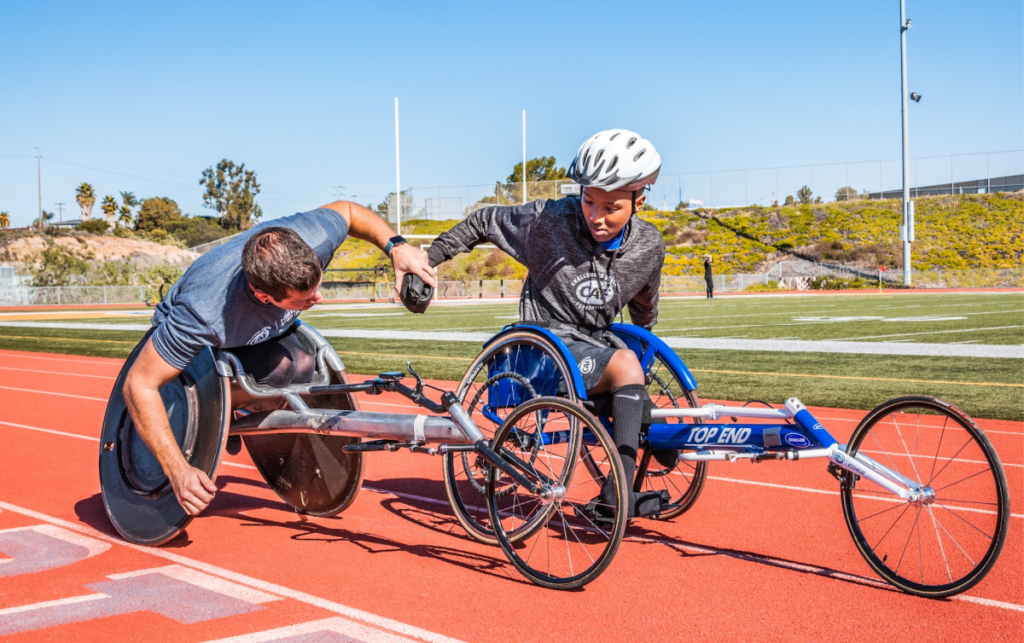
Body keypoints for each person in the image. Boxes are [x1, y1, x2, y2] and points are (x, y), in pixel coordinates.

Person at [122, 201, 435, 517]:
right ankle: (220, 415)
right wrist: (177, 470)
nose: (318, 299)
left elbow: (351, 213)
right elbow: (138, 385)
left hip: (257, 331)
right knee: (276, 370)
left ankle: (239, 412)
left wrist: (396, 247)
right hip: (204, 353)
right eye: (304, 299)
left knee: (298, 365)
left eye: (317, 286)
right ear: (263, 295)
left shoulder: (313, 236)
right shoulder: (201, 313)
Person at [426, 129, 667, 519]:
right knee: (625, 368)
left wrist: (644, 349)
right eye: (589, 201)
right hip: (545, 348)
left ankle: (650, 436)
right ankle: (617, 496)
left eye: (611, 207)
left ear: (639, 200)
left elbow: (645, 306)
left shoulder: (648, 246)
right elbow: (484, 221)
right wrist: (431, 259)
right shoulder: (549, 221)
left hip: (598, 346)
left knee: (654, 415)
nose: (596, 217)